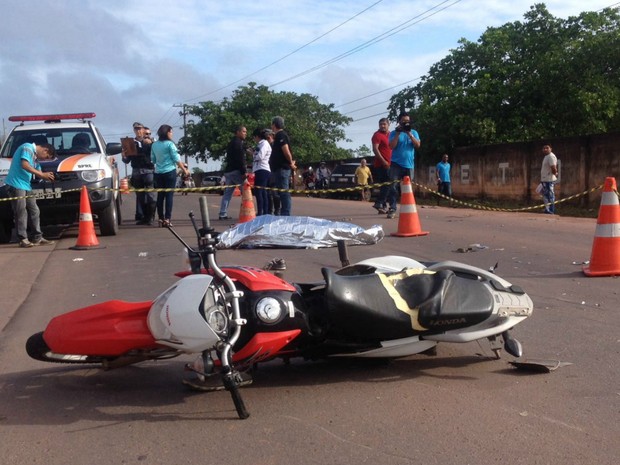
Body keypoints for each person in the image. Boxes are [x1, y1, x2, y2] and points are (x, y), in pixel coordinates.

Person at [4, 141, 56, 247]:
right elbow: (24, 165)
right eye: (46, 157)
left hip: (25, 185)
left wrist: (46, 176)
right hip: (16, 184)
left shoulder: (35, 158)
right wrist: (42, 174)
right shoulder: (27, 148)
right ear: (45, 150)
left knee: (34, 210)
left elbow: (38, 171)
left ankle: (37, 237)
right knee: (21, 211)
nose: (44, 159)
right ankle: (23, 239)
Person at [151, 124, 190, 227]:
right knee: (169, 196)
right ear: (167, 132)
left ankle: (160, 218)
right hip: (169, 172)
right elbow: (176, 159)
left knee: (160, 196)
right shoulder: (170, 144)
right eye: (171, 132)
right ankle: (167, 219)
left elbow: (153, 159)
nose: (172, 134)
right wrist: (184, 170)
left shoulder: (154, 145)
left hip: (158, 173)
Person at [386, 112, 421, 219]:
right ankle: (392, 208)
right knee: (393, 187)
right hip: (396, 164)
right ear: (399, 122)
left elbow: (418, 145)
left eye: (408, 121)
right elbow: (391, 146)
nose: (406, 123)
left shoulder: (414, 132)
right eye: (403, 121)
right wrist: (398, 133)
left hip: (409, 165)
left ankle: (408, 210)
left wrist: (409, 133)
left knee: (408, 188)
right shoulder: (393, 133)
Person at [122, 122, 156, 225]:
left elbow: (156, 155)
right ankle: (145, 217)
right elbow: (126, 160)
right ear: (134, 130)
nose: (138, 131)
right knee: (140, 196)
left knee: (151, 195)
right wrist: (123, 155)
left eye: (140, 128)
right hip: (136, 170)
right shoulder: (130, 143)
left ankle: (150, 217)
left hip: (148, 170)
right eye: (136, 129)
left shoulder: (151, 142)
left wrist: (151, 143)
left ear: (143, 130)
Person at [218, 125, 248, 220]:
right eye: (243, 131)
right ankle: (246, 213)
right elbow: (240, 159)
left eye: (245, 132)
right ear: (238, 132)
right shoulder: (238, 143)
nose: (245, 134)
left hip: (228, 171)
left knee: (227, 193)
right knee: (245, 192)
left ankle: (222, 214)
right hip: (236, 171)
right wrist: (244, 172)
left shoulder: (231, 142)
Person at [270, 116, 296, 216]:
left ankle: (286, 214)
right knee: (280, 192)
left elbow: (286, 150)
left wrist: (290, 163)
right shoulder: (278, 136)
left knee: (284, 192)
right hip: (278, 169)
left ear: (274, 125)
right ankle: (283, 212)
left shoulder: (281, 135)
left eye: (272, 125)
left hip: (282, 169)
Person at [371, 117, 392, 214]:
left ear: (388, 124)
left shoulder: (391, 135)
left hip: (390, 164)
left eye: (384, 124)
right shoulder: (377, 135)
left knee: (386, 185)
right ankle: (379, 203)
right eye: (381, 124)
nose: (382, 126)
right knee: (387, 184)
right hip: (381, 165)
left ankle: (382, 206)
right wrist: (384, 162)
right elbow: (375, 149)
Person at [252, 128, 272, 216]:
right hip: (260, 169)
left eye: (254, 137)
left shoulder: (264, 144)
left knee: (259, 191)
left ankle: (262, 212)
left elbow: (260, 157)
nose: (254, 139)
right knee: (262, 192)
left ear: (257, 136)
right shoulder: (261, 144)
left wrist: (253, 154)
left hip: (262, 169)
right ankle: (264, 211)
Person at [540, 144, 558, 214]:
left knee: (550, 195)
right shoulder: (546, 157)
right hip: (545, 179)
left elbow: (553, 167)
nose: (545, 149)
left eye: (547, 148)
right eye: (544, 148)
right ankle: (547, 209)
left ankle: (551, 210)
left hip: (549, 180)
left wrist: (555, 173)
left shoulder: (551, 156)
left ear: (551, 148)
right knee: (545, 195)